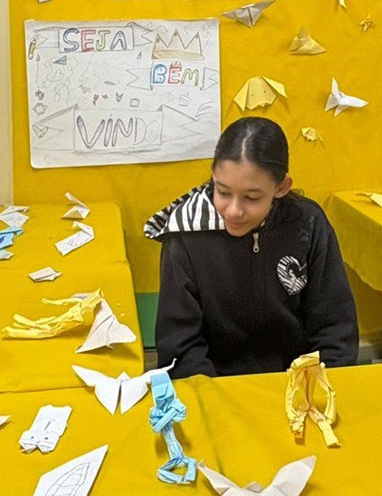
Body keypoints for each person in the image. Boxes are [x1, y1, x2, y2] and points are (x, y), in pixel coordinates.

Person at [144, 116, 358, 379]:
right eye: (222, 192)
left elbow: (335, 328)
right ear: (213, 176)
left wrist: (318, 385)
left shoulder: (309, 224)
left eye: (252, 197)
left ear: (281, 187)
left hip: (295, 383)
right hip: (216, 385)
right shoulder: (186, 234)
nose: (233, 210)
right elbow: (180, 346)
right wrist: (212, 398)